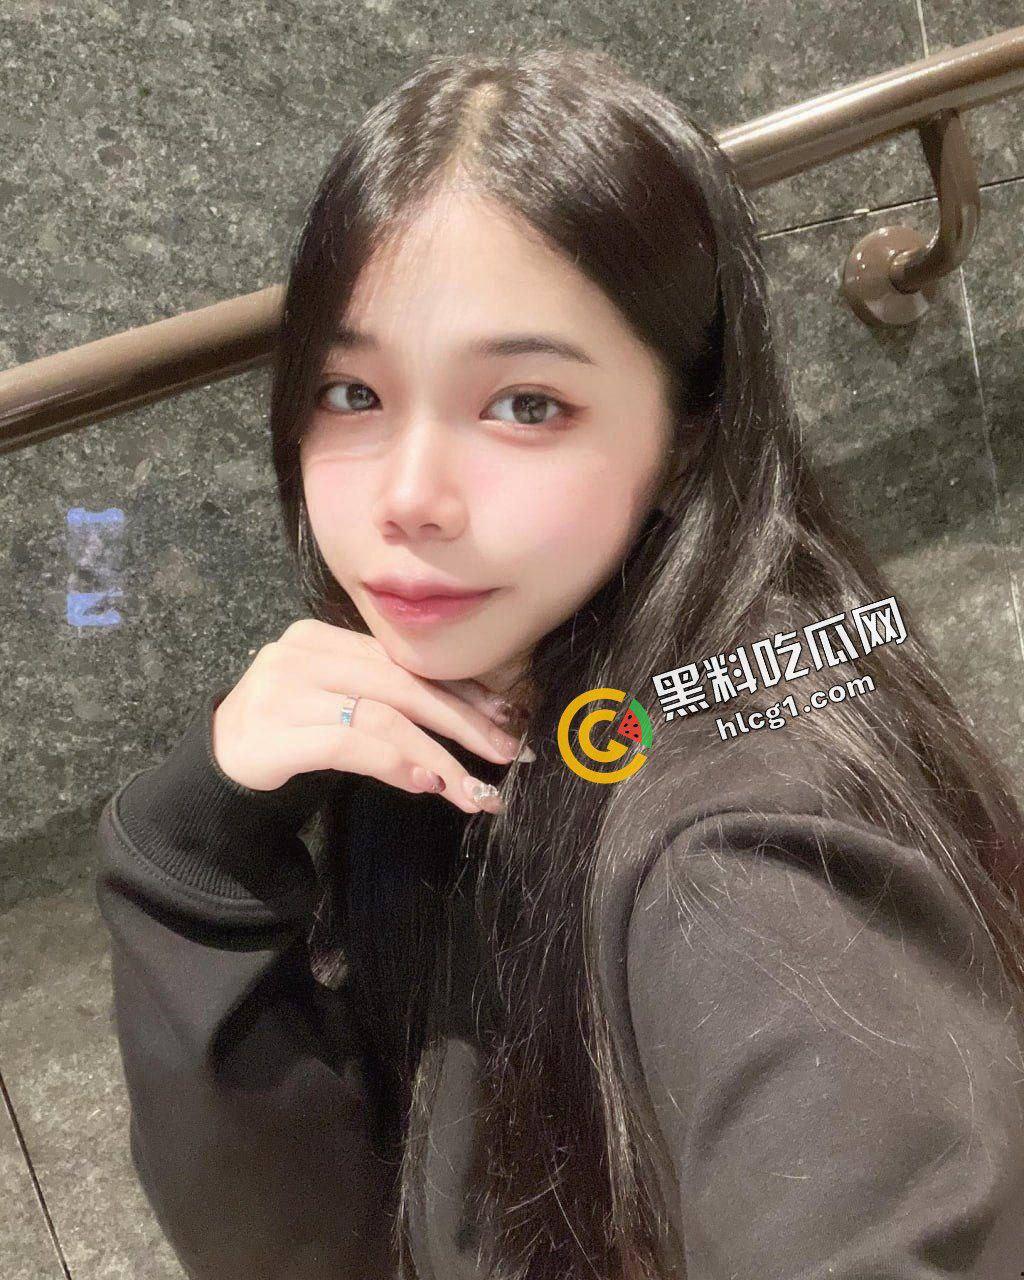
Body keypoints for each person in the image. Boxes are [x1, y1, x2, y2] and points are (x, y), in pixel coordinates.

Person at [94, 44, 1024, 1280]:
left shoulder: (739, 855)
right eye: (351, 392)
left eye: (525, 403)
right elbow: (313, 1245)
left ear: (686, 433)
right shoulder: (498, 716)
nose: (409, 496)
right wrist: (199, 845)